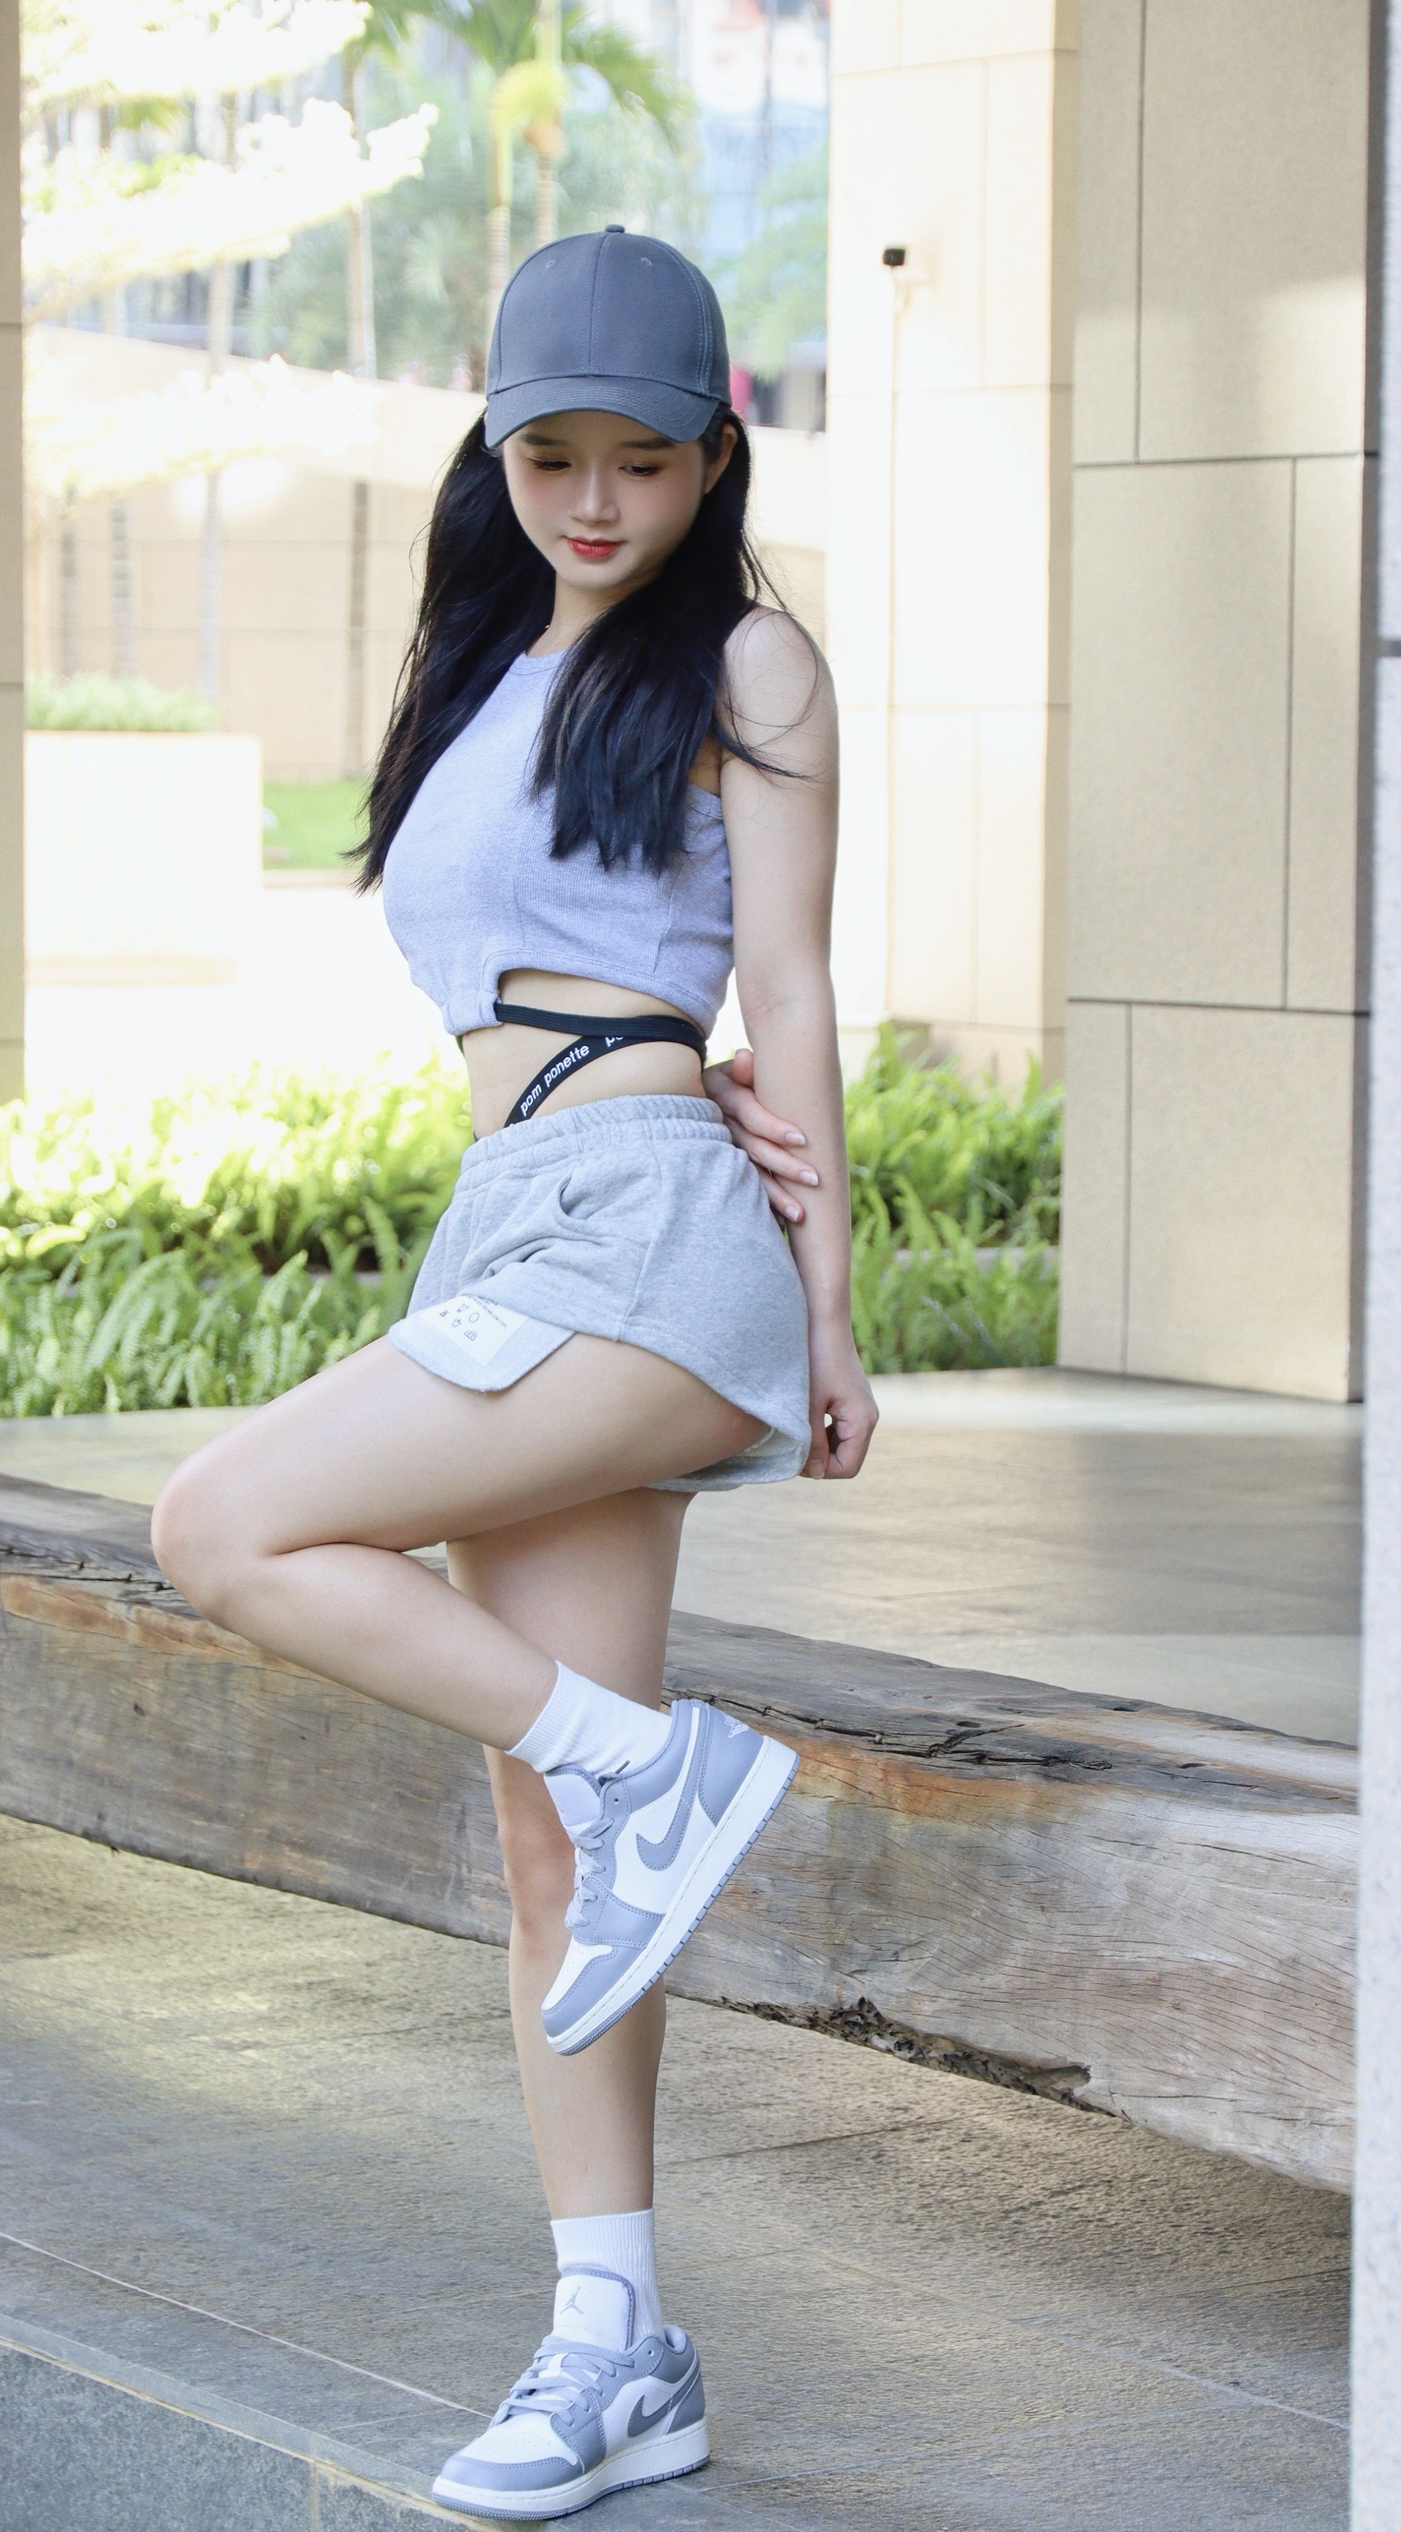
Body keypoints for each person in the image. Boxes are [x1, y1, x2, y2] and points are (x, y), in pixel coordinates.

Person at [150, 226, 877, 2520]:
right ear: (495, 451)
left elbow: (787, 980)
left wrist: (831, 1308)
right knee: (553, 1834)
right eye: (549, 457)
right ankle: (614, 2347)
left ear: (711, 458)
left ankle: (661, 1769)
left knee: (221, 1522)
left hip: (649, 1219)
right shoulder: (484, 661)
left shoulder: (746, 656)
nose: (592, 500)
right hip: (523, 1214)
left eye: (636, 461)